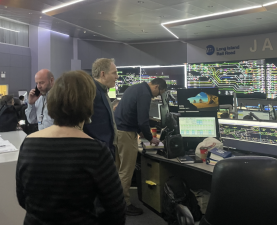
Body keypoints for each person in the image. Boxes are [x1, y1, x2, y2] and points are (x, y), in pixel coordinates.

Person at [16, 70, 126, 225]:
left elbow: (22, 199)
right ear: (88, 103)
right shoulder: (96, 151)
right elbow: (116, 211)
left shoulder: (28, 145)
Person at [114, 78, 167, 216]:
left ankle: (115, 201)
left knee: (119, 170)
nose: (158, 96)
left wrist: (140, 131)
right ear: (156, 87)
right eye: (159, 93)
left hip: (118, 131)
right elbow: (143, 119)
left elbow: (131, 113)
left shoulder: (135, 88)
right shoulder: (145, 94)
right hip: (126, 134)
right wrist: (151, 138)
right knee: (126, 171)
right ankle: (124, 205)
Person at [83, 58, 119, 157]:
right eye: (114, 73)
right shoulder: (92, 92)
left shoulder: (101, 90)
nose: (117, 76)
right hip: (97, 151)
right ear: (103, 74)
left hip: (103, 148)